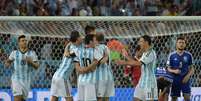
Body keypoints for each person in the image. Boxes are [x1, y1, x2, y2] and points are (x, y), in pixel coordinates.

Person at [116, 35, 158, 101]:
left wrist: (123, 62)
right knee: (135, 99)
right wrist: (126, 56)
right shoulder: (144, 53)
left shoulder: (150, 53)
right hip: (141, 83)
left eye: (141, 41)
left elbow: (138, 63)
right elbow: (136, 62)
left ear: (146, 42)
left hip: (150, 84)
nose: (139, 43)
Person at [5, 35, 39, 101]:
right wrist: (7, 63)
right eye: (22, 41)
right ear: (19, 43)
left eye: (26, 40)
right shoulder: (14, 53)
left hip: (26, 80)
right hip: (16, 79)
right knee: (17, 98)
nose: (24, 42)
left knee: (23, 99)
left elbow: (37, 66)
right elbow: (8, 62)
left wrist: (30, 61)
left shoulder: (32, 53)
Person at [50, 31, 82, 101]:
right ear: (77, 39)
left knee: (54, 97)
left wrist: (66, 52)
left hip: (55, 76)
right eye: (80, 36)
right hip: (63, 77)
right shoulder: (77, 50)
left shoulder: (70, 45)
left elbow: (68, 50)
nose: (81, 37)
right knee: (69, 98)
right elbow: (70, 55)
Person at [74, 34, 106, 101]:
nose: (96, 42)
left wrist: (82, 70)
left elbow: (76, 66)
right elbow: (100, 62)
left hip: (80, 80)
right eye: (94, 40)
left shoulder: (78, 51)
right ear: (91, 42)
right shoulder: (95, 51)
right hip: (90, 81)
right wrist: (107, 56)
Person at [167, 36, 194, 101]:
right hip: (175, 80)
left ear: (185, 44)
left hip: (185, 79)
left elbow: (192, 68)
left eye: (183, 43)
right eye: (179, 42)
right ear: (176, 44)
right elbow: (168, 68)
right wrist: (174, 71)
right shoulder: (171, 55)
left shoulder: (189, 55)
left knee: (187, 97)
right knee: (174, 98)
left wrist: (188, 76)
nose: (181, 44)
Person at [93, 33, 115, 101]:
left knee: (99, 98)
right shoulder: (106, 47)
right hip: (109, 76)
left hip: (100, 77)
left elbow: (101, 61)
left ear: (95, 39)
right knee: (106, 98)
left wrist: (106, 57)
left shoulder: (96, 48)